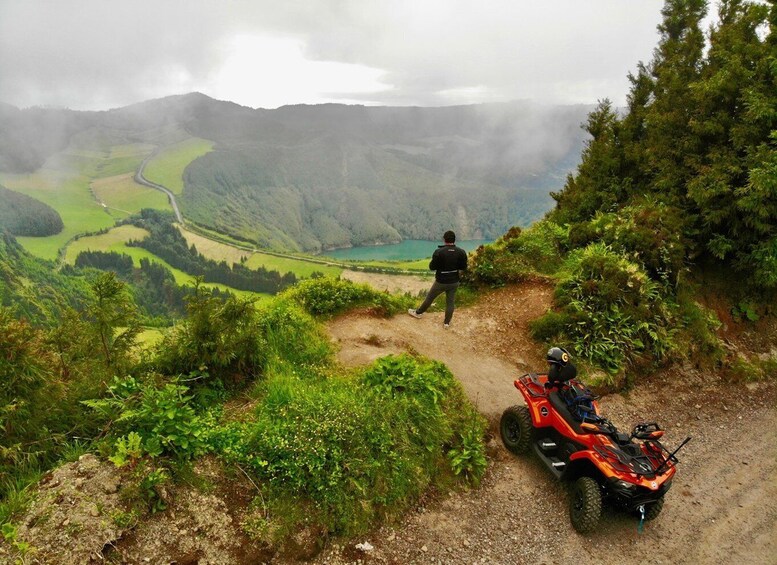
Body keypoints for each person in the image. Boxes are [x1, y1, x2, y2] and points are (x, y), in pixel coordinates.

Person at [407, 230, 468, 328]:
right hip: (454, 281)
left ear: (444, 240)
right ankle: (447, 323)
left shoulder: (439, 252)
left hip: (441, 281)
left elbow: (432, 267)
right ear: (454, 240)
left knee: (430, 297)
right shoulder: (461, 252)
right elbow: (463, 267)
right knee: (450, 302)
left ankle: (418, 313)